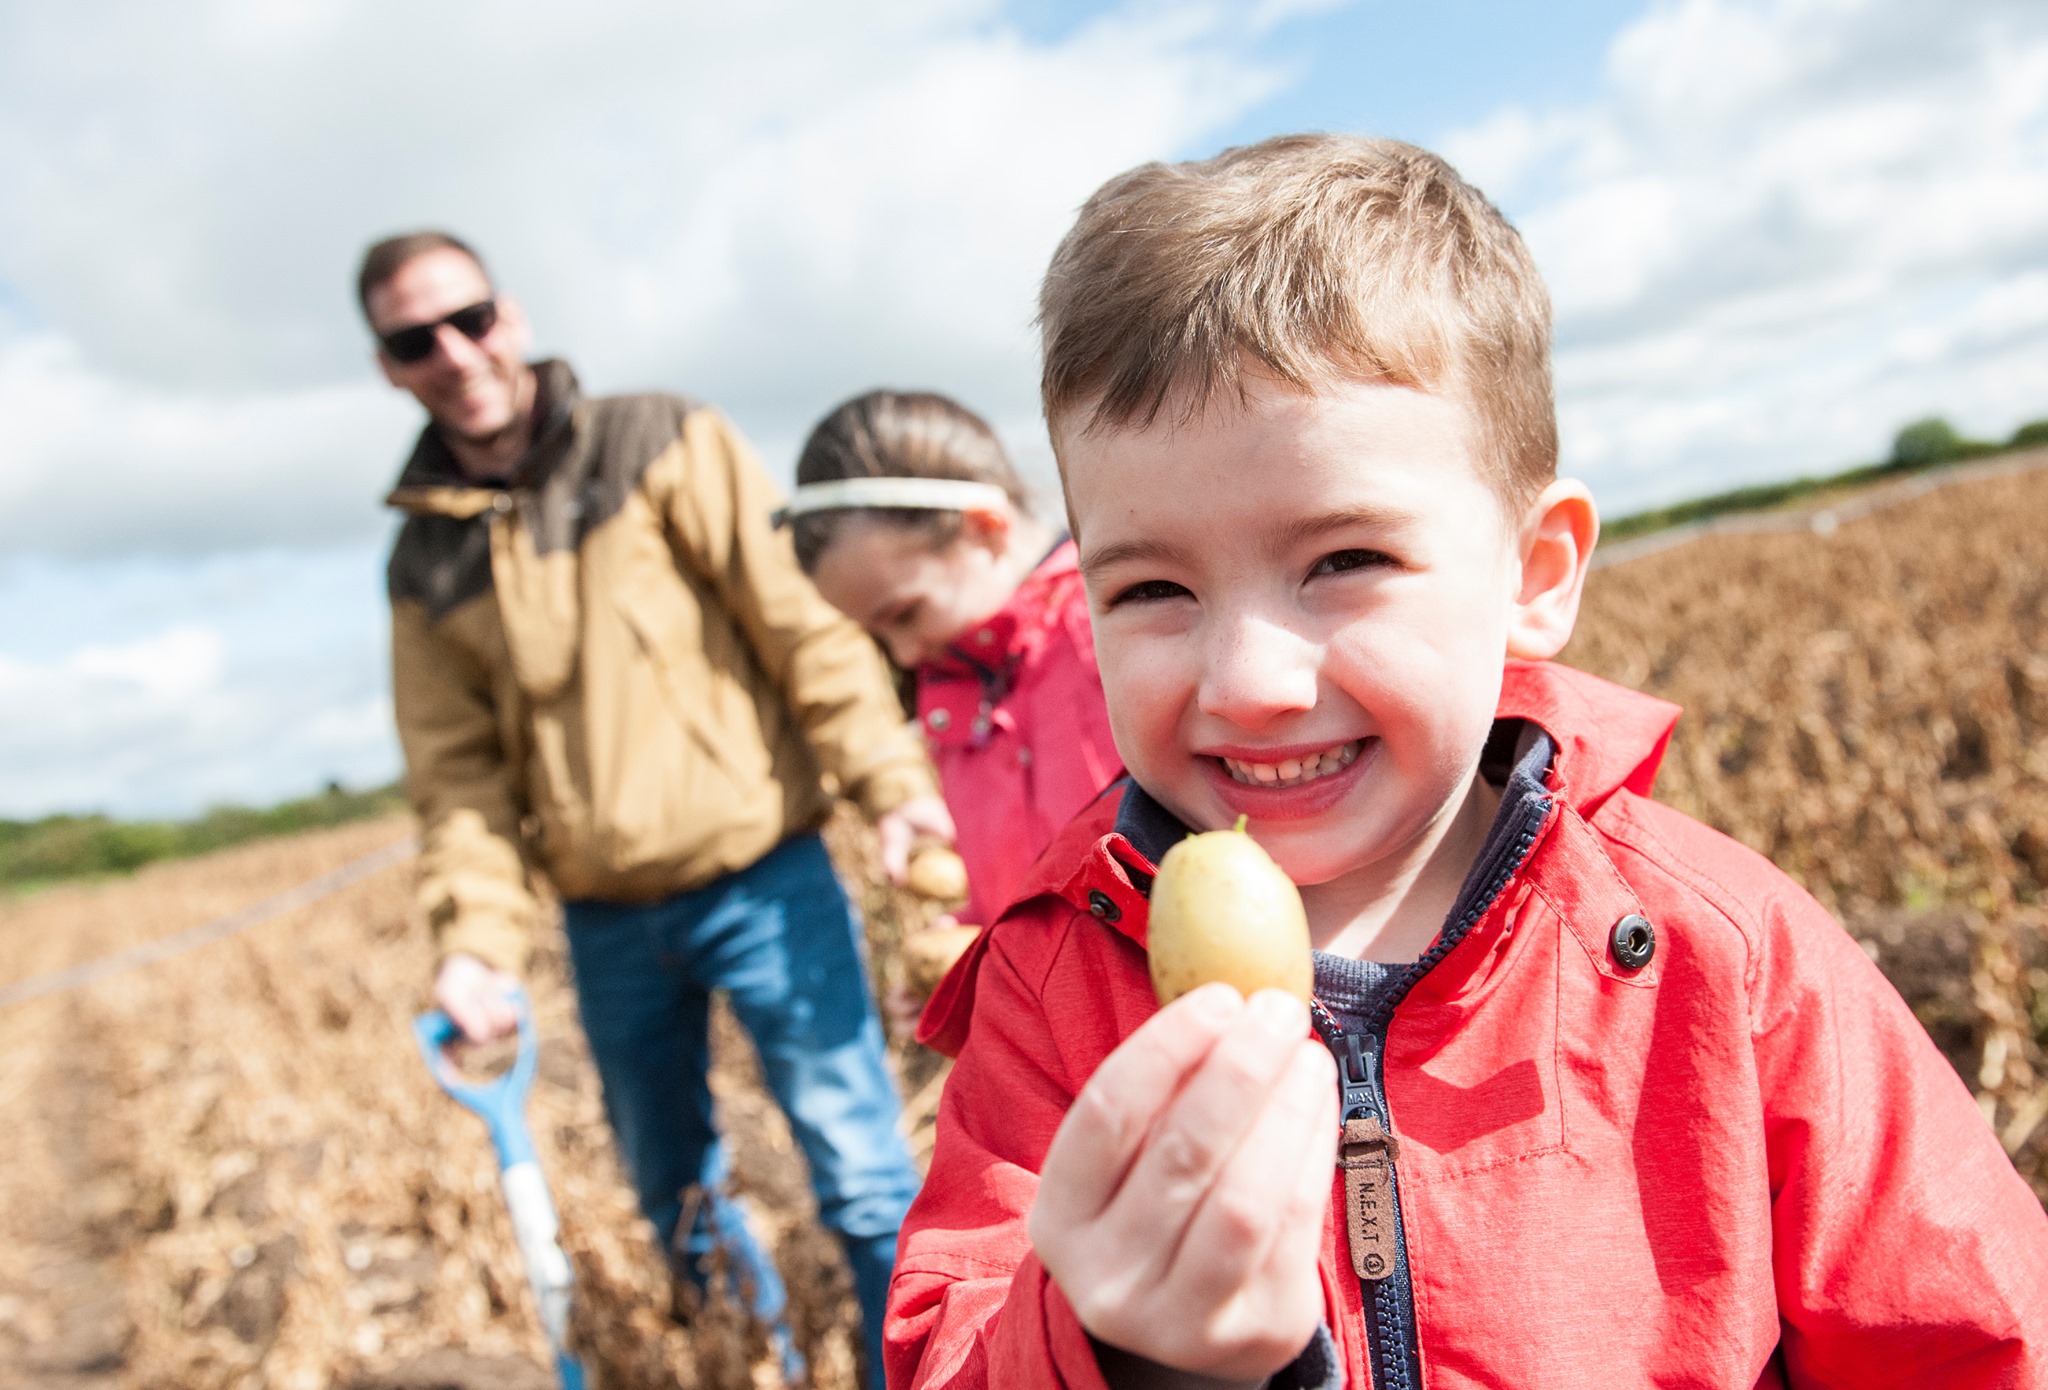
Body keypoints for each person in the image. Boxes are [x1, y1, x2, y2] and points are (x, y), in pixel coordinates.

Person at [885, 136, 2048, 1390]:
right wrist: (1116, 1351)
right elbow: (947, 1344)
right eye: (1152, 587)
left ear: (1535, 575)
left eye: (1343, 563)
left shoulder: (1718, 951)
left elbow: (1971, 1337)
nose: (1246, 681)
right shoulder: (1051, 989)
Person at [359, 230, 947, 1388]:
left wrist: (892, 785)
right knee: (672, 1198)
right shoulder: (420, 560)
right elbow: (458, 780)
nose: (453, 353)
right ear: (390, 367)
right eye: (413, 339)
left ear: (509, 316)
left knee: (864, 1175)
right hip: (605, 922)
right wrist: (475, 947)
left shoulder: (659, 439)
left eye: (467, 319)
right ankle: (757, 1364)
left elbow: (803, 630)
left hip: (765, 876)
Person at [781, 391, 1121, 1018]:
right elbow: (1024, 881)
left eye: (905, 614)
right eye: (877, 637)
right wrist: (973, 958)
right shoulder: (956, 688)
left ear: (985, 529)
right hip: (1054, 1053)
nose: (904, 654)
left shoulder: (1117, 631)